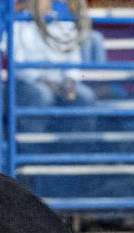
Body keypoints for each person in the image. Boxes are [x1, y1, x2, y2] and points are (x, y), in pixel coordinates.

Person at [13, 0, 97, 133]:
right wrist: (44, 81)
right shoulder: (19, 25)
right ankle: (32, 145)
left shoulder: (63, 23)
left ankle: (80, 146)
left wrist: (70, 81)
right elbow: (18, 65)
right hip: (30, 84)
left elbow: (73, 58)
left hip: (61, 83)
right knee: (42, 95)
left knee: (85, 96)